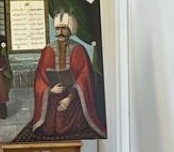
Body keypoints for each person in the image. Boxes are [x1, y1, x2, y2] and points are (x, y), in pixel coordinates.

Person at [14, 12, 106, 142]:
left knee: (75, 127)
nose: (60, 32)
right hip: (53, 96)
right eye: (57, 28)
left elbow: (84, 78)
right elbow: (40, 79)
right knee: (49, 128)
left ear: (70, 29)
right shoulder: (48, 50)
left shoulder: (79, 49)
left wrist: (69, 98)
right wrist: (50, 91)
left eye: (64, 28)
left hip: (74, 97)